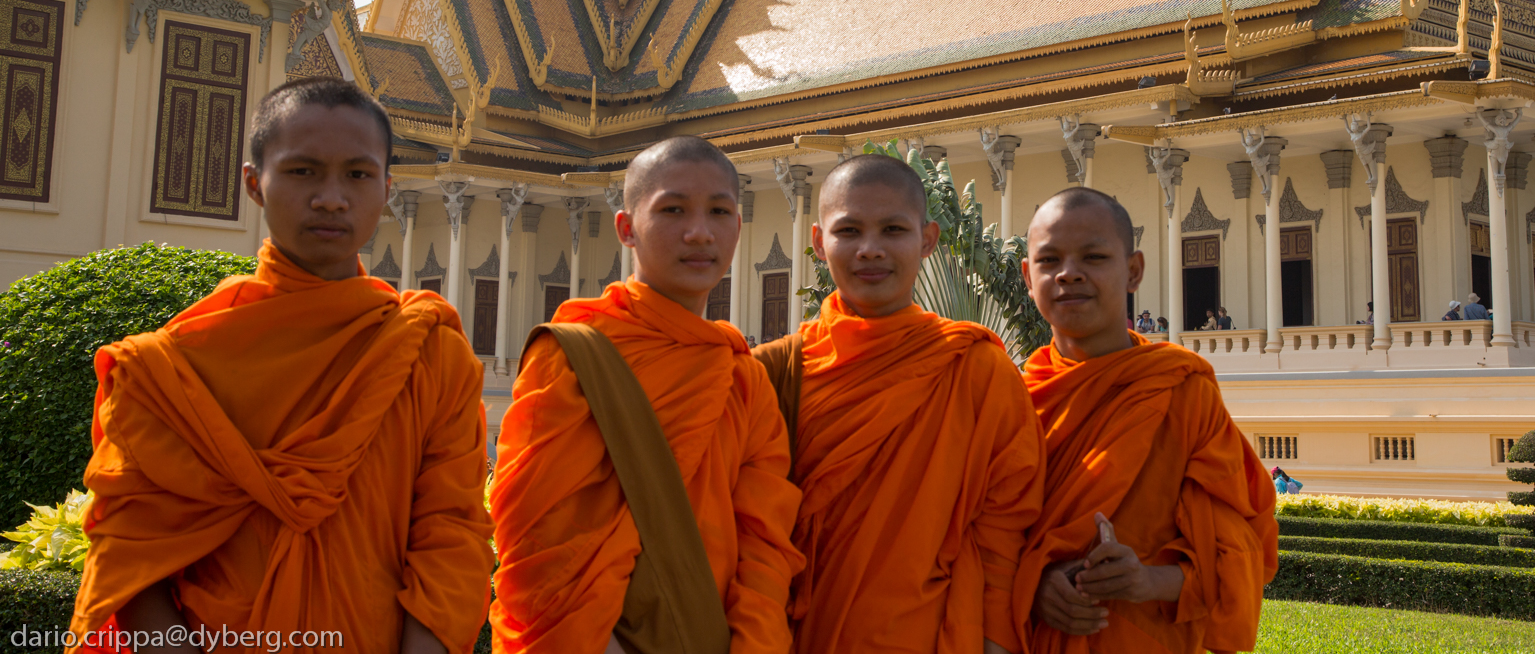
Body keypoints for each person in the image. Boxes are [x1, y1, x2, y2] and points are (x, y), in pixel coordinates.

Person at [70, 78, 493, 654]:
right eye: (302, 171)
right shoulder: (172, 365)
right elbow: (130, 554)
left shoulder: (427, 350)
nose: (331, 198)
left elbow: (451, 535)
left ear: (387, 189)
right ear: (254, 184)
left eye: (358, 175)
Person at [491, 136, 803, 653]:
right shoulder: (573, 355)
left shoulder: (742, 379)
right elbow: (538, 534)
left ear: (738, 228)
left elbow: (765, 544)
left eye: (719, 211)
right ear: (626, 229)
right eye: (673, 210)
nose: (699, 232)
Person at [753, 154, 1044, 654]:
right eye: (849, 231)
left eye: (893, 229)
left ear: (927, 240)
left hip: (933, 633)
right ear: (820, 243)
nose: (871, 250)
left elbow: (1006, 521)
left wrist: (994, 639)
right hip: (802, 632)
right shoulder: (776, 372)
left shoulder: (975, 369)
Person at [1013, 188, 1278, 653]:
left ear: (1133, 271)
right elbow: (980, 544)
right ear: (1027, 278)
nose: (1069, 274)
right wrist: (1035, 584)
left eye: (1093, 257)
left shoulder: (1182, 390)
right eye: (1049, 260)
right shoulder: (1014, 398)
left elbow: (1242, 549)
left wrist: (1148, 580)